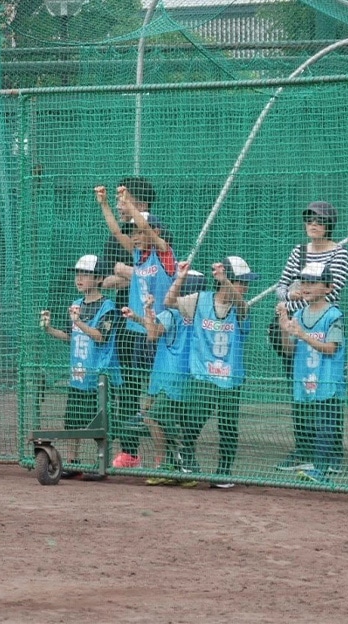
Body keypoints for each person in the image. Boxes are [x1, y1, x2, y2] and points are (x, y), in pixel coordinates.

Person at [96, 182, 175, 469]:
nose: (136, 237)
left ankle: (164, 457)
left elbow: (149, 231)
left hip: (158, 333)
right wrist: (106, 205)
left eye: (140, 233)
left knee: (157, 396)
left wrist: (129, 206)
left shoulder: (164, 254)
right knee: (129, 390)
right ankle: (130, 452)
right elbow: (117, 232)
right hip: (134, 332)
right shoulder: (138, 255)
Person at [165, 257, 255, 489]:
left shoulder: (241, 307)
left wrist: (227, 282)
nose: (245, 287)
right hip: (203, 374)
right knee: (193, 422)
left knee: (227, 426)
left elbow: (242, 307)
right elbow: (169, 301)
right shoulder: (201, 300)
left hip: (231, 377)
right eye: (241, 282)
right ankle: (188, 462)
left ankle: (223, 473)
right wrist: (180, 278)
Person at [274, 201, 348, 472]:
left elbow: (329, 292)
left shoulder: (339, 254)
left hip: (319, 326)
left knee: (326, 391)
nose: (313, 224)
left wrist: (297, 299)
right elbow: (282, 288)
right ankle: (303, 449)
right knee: (300, 386)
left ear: (329, 224)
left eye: (318, 220)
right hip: (292, 325)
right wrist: (291, 296)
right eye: (309, 219)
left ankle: (330, 457)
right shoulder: (298, 251)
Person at [40, 254, 121, 478]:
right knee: (72, 419)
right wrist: (49, 329)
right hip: (78, 375)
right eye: (78, 274)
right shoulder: (76, 305)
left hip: (99, 377)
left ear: (98, 279)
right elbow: (70, 336)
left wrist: (79, 322)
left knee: (100, 423)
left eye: (85, 275)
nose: (79, 279)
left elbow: (101, 336)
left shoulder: (108, 307)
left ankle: (101, 465)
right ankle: (73, 463)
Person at [122, 271, 206, 486]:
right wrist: (140, 317)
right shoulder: (203, 314)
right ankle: (182, 469)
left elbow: (153, 334)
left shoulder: (171, 312)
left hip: (168, 376)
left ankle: (166, 465)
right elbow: (156, 329)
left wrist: (148, 309)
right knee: (177, 424)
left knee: (153, 418)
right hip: (191, 378)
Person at [276, 262, 345, 484]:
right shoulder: (300, 313)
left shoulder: (333, 314)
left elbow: (332, 348)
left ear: (328, 287)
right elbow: (289, 350)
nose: (306, 286)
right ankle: (313, 466)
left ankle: (321, 471)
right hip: (305, 380)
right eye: (304, 281)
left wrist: (303, 335)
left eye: (312, 282)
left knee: (326, 426)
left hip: (327, 381)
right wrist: (283, 324)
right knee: (308, 425)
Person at [96, 176, 157, 308]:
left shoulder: (158, 234)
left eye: (123, 202)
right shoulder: (116, 239)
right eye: (117, 201)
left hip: (154, 312)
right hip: (125, 313)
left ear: (141, 205)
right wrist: (104, 204)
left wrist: (125, 271)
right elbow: (106, 282)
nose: (118, 207)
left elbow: (159, 278)